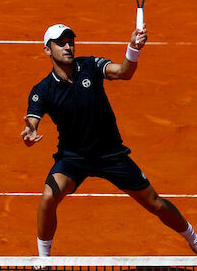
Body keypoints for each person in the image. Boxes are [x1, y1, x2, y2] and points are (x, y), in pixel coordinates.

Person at [21, 24, 197, 256]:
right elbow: (31, 123)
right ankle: (44, 261)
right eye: (60, 43)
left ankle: (193, 239)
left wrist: (133, 48)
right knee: (48, 197)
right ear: (47, 50)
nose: (68, 46)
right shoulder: (42, 90)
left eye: (70, 41)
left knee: (155, 203)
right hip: (74, 157)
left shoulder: (90, 66)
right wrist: (30, 134)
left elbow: (124, 72)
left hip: (110, 153)